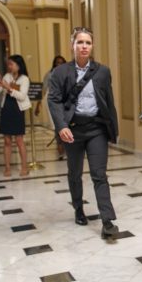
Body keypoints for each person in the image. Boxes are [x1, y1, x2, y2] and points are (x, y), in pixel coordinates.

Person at [47, 28, 121, 239]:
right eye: (80, 42)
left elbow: (109, 101)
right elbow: (53, 100)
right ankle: (78, 208)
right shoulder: (60, 72)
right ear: (73, 45)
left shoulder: (103, 71)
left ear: (92, 46)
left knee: (99, 174)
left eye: (88, 42)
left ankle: (107, 221)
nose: (84, 46)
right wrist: (61, 126)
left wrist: (113, 129)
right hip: (73, 129)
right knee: (75, 173)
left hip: (96, 128)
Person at [0, 55, 31, 177]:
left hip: (17, 109)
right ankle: (7, 167)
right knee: (7, 140)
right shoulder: (7, 76)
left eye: (11, 64)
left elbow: (22, 96)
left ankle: (24, 167)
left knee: (19, 140)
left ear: (19, 65)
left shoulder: (24, 79)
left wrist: (8, 88)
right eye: (8, 64)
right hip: (7, 108)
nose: (9, 66)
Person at [36, 55, 67, 160]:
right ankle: (60, 149)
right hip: (54, 103)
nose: (59, 64)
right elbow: (44, 90)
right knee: (58, 126)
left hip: (66, 103)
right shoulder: (49, 74)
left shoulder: (69, 73)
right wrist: (38, 105)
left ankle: (67, 148)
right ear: (54, 63)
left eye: (61, 62)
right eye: (58, 62)